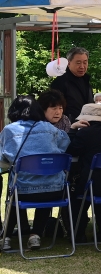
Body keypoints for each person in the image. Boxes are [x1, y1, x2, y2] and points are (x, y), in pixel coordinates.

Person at [0, 95, 70, 251]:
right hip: (55, 191)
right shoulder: (50, 128)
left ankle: (6, 237)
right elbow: (63, 146)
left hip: (23, 191)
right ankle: (35, 235)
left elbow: (2, 159)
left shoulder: (9, 131)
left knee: (13, 197)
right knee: (46, 181)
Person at [67, 103, 101, 243]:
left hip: (89, 183)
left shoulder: (84, 133)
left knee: (76, 197)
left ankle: (79, 233)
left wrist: (72, 129)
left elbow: (72, 150)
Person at [50, 47, 93, 123]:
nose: (82, 66)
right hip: (68, 127)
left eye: (85, 62)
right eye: (78, 63)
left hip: (87, 126)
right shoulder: (60, 82)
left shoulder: (86, 81)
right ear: (69, 63)